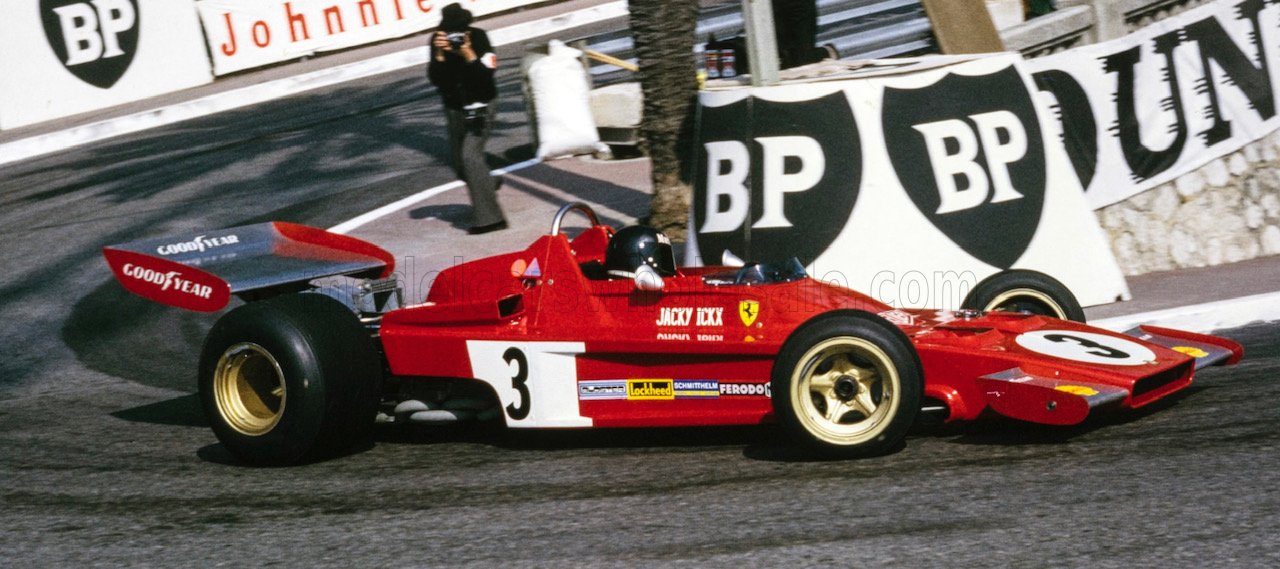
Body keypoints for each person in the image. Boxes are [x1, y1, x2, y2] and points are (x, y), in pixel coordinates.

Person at [428, 3, 506, 235]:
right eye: (451, 32)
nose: (455, 37)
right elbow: (437, 80)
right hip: (454, 108)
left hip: (481, 105)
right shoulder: (437, 41)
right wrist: (440, 56)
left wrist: (470, 55)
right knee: (462, 167)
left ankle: (491, 220)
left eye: (459, 31)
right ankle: (487, 183)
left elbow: (486, 79)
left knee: (470, 157)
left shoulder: (480, 37)